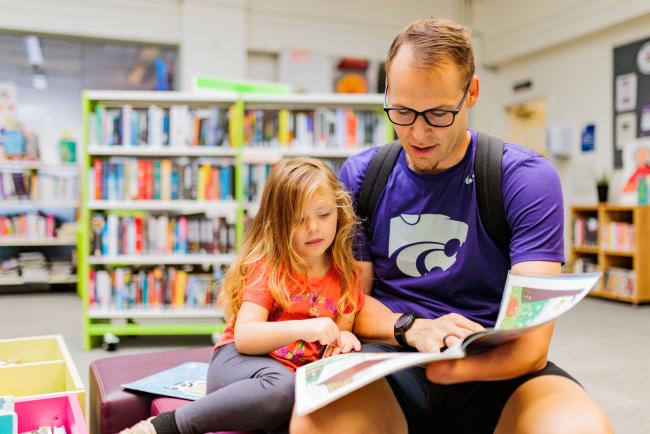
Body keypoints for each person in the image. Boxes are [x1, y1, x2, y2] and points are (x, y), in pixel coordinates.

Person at [289, 18, 613, 434]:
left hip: (501, 368)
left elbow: (531, 346)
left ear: (471, 93)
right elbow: (349, 303)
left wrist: (447, 370)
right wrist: (413, 329)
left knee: (581, 428)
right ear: (387, 92)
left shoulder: (526, 178)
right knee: (314, 423)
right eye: (402, 111)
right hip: (392, 357)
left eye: (439, 113)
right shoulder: (361, 175)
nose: (418, 132)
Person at [121, 157, 365, 434]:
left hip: (292, 383)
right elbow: (246, 337)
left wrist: (343, 338)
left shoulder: (346, 274)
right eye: (299, 219)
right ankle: (164, 428)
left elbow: (340, 332)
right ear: (280, 222)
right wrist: (307, 327)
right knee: (282, 387)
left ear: (339, 211)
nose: (314, 228)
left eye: (323, 215)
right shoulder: (271, 267)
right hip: (238, 362)